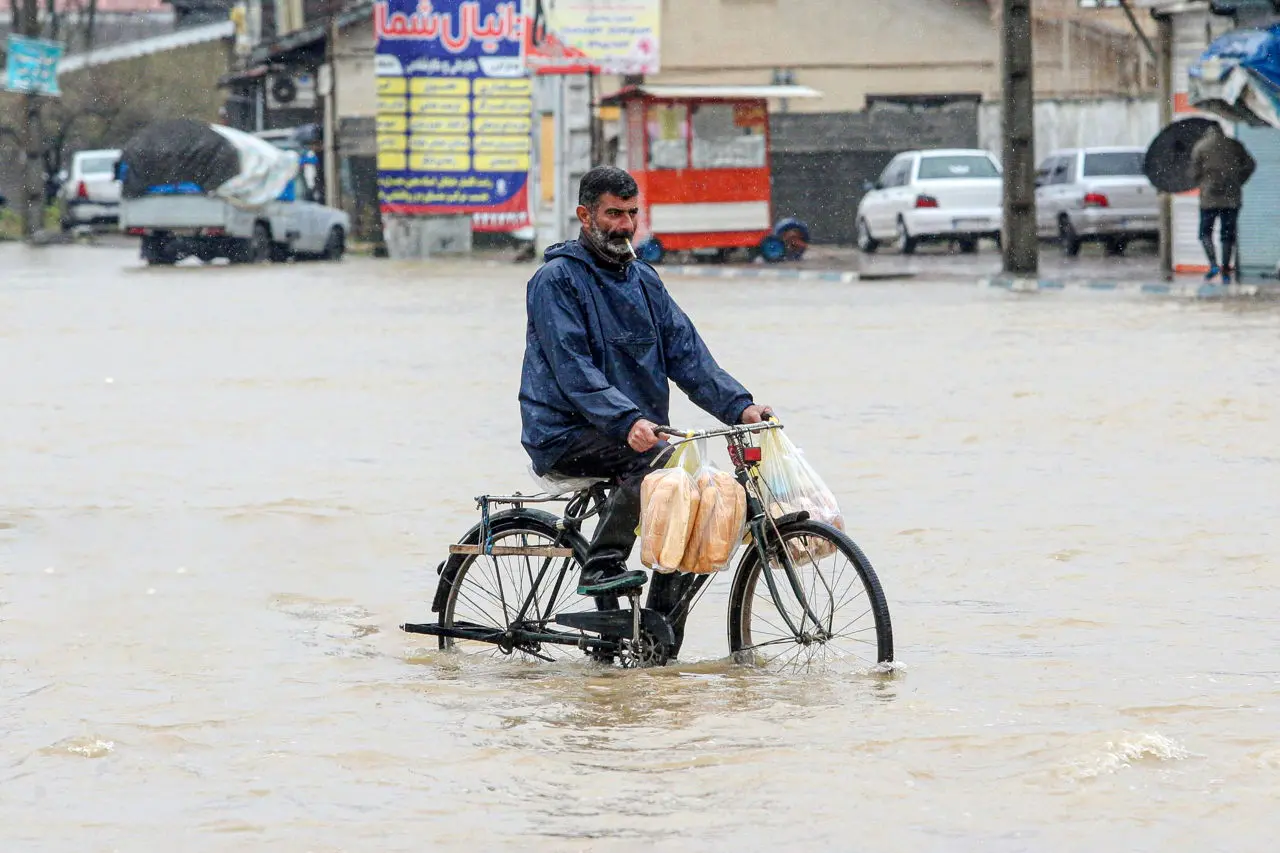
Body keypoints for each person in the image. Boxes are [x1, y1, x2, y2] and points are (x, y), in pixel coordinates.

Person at [519, 165, 771, 603]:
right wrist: (626, 419)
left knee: (693, 487)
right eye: (614, 214)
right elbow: (573, 368)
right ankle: (601, 566)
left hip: (633, 431)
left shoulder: (645, 281)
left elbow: (688, 356)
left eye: (633, 213)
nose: (627, 226)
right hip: (564, 432)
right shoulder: (555, 281)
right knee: (661, 459)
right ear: (585, 215)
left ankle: (656, 627)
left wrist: (741, 407)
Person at [1191, 124, 1256, 284]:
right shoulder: (1234, 145)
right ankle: (1226, 268)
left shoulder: (1201, 146)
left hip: (1209, 198)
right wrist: (1238, 180)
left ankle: (1213, 265)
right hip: (1231, 198)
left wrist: (1204, 181)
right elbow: (1250, 165)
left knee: (1205, 233)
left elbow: (1194, 173)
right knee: (1228, 234)